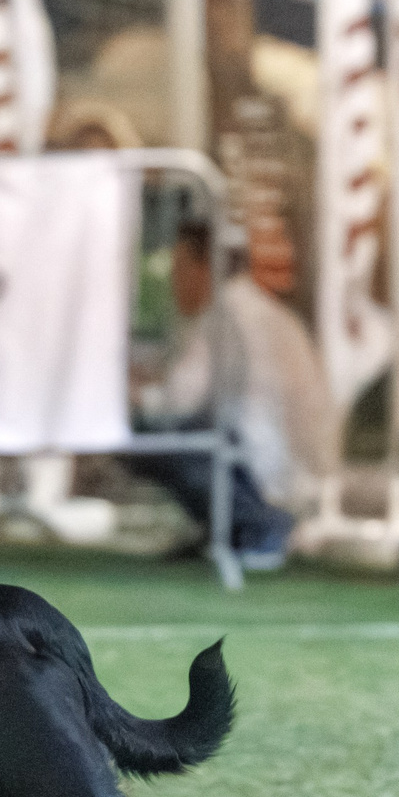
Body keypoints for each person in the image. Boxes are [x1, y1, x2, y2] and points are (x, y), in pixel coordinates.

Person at [125, 222, 312, 570]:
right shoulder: (260, 309)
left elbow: (176, 399)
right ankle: (229, 524)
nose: (175, 281)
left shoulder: (225, 314)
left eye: (180, 268)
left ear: (204, 265)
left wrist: (130, 390)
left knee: (141, 436)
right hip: (294, 470)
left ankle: (255, 525)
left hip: (260, 468)